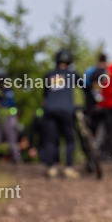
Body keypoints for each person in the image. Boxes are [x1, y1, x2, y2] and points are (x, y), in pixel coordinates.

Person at [41, 49, 78, 179]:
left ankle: (51, 168)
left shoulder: (49, 75)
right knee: (69, 140)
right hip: (65, 111)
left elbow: (45, 96)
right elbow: (85, 87)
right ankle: (68, 168)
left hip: (50, 110)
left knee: (51, 140)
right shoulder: (72, 74)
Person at [81, 53, 108, 137]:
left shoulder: (90, 71)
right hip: (105, 105)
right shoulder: (108, 72)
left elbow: (85, 86)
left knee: (92, 127)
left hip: (91, 104)